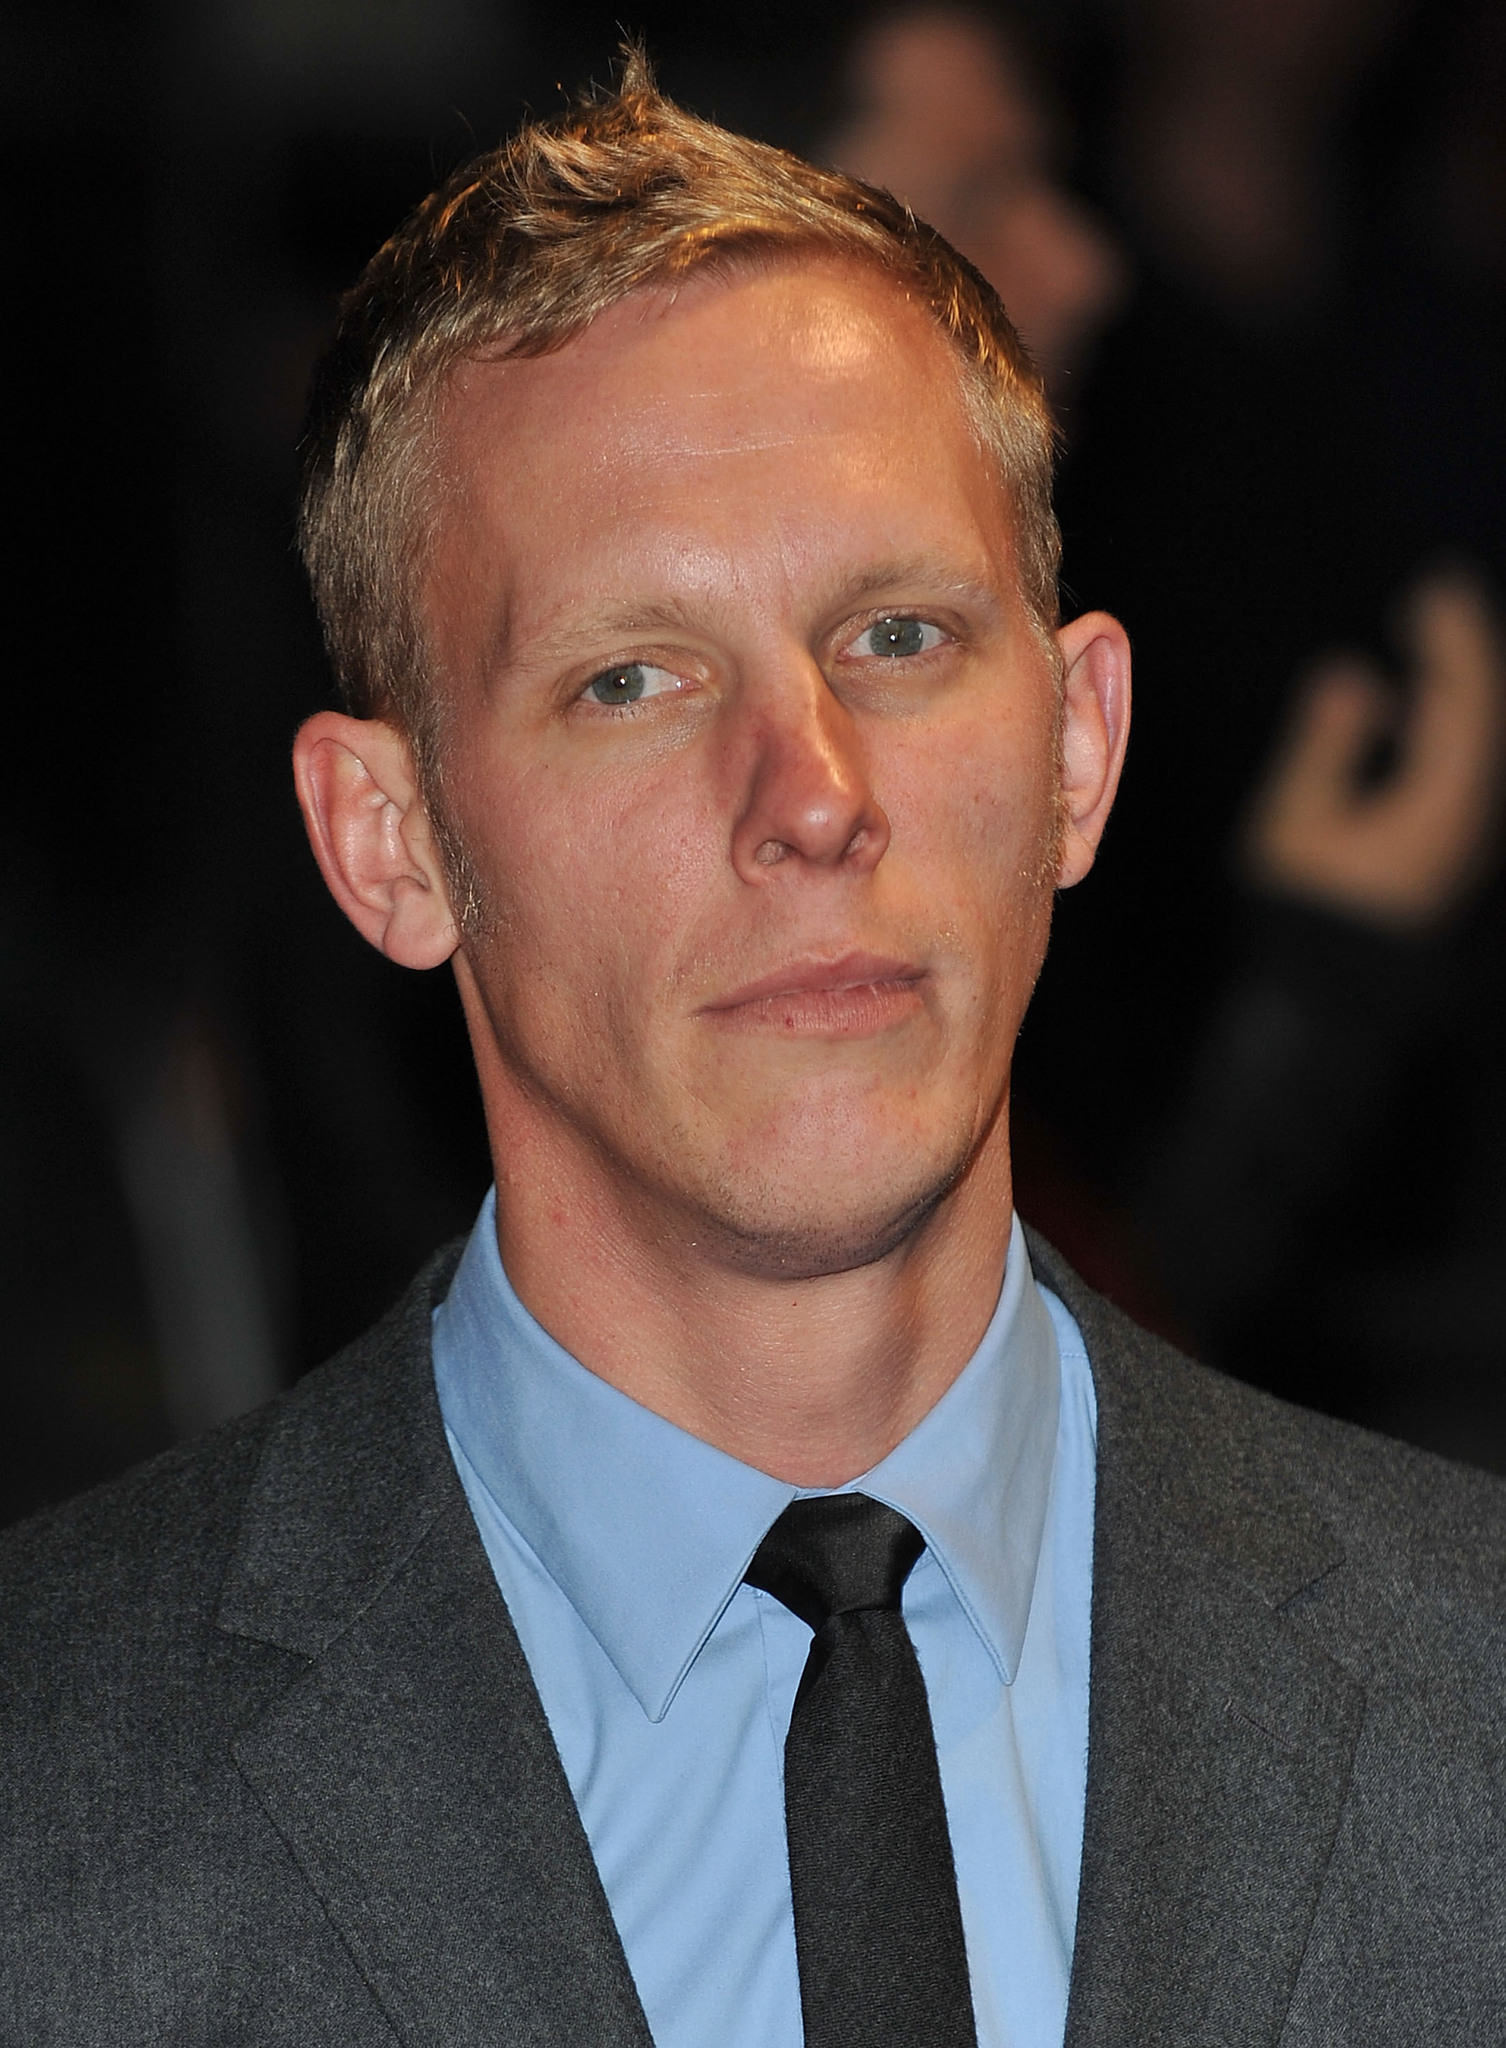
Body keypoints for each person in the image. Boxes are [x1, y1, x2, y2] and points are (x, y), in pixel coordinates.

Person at [3, 59, 1504, 2048]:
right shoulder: (50, 1799)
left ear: (1078, 747)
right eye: (632, 677)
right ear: (389, 841)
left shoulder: (1472, 1699)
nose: (811, 795)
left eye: (896, 637)